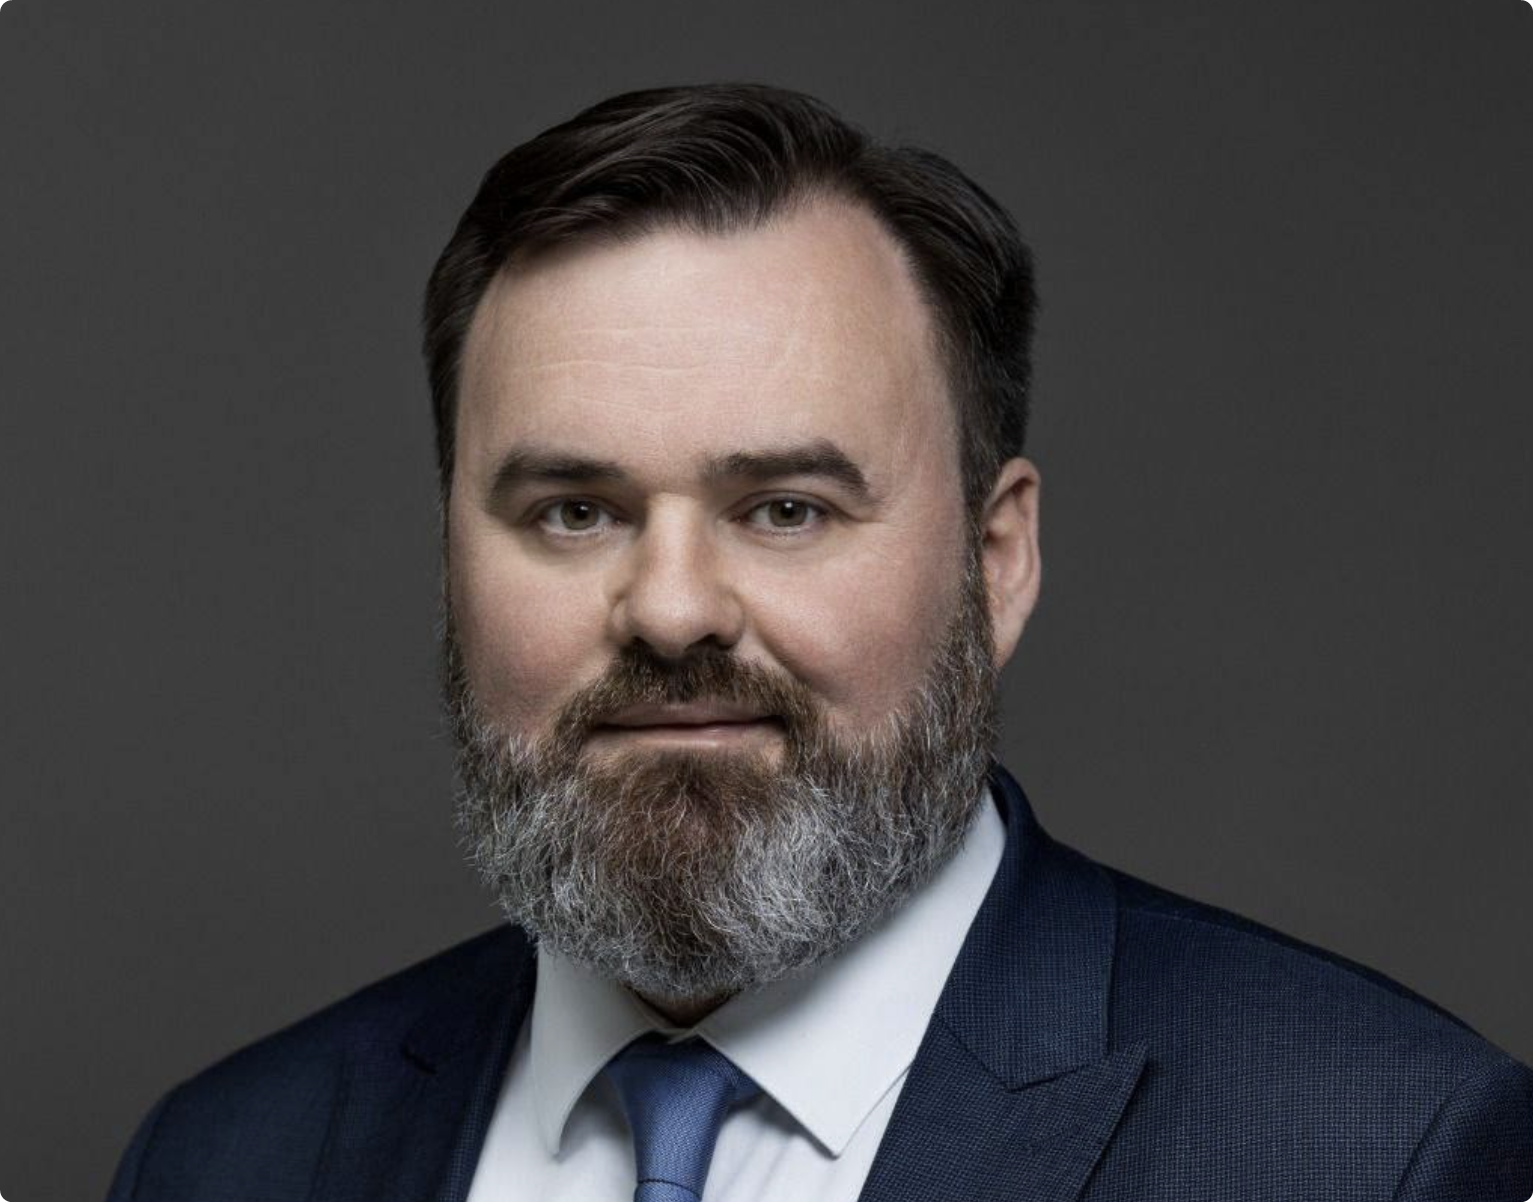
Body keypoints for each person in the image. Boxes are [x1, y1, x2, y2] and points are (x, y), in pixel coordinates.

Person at [105, 82, 1532, 1202]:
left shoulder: (1383, 1147)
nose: (672, 609)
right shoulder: (225, 1158)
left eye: (785, 508)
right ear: (449, 563)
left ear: (997, 560)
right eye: (574, 511)